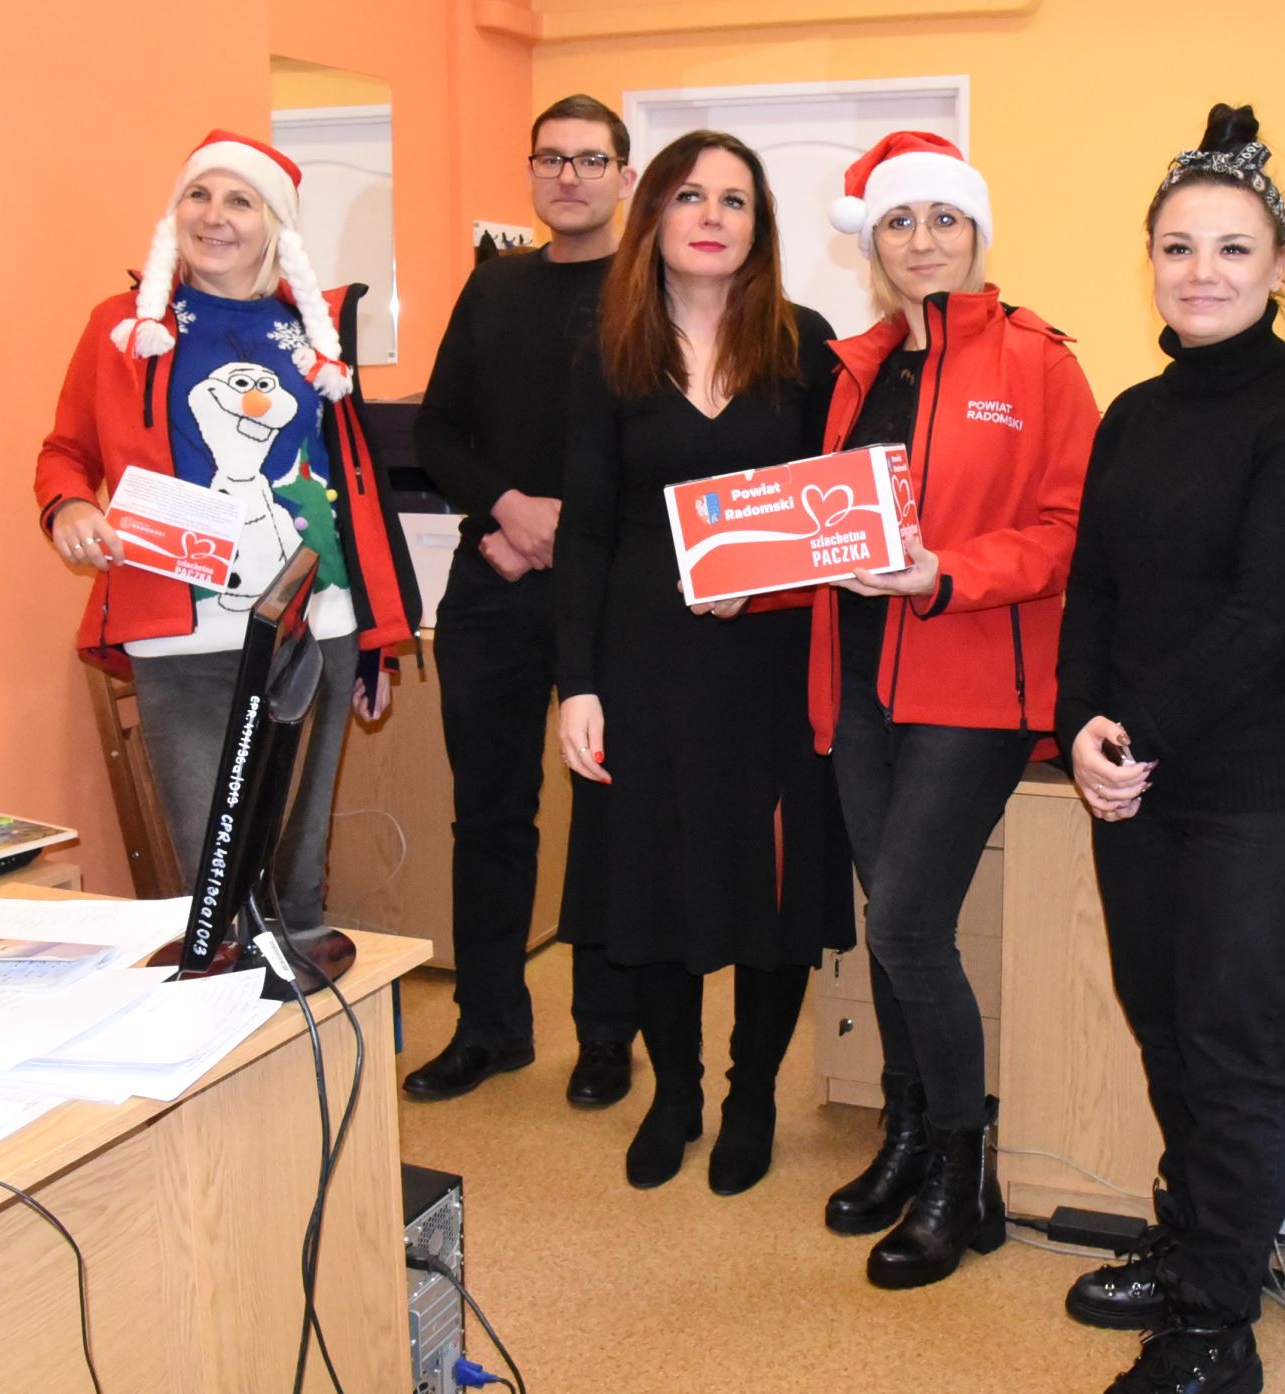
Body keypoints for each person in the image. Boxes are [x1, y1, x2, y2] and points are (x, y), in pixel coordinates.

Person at [1055, 105, 1285, 1392]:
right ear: (1149, 258)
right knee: (1166, 1028)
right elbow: (1092, 587)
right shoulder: (1133, 413)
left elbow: (1269, 611)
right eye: (1178, 246)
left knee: (1234, 1044)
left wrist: (1131, 731)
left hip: (1263, 782)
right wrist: (1078, 723)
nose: (1202, 271)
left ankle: (1215, 1326)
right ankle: (1190, 1240)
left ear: (1278, 266)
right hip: (1140, 775)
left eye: (1233, 248)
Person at [814, 132, 1100, 1289]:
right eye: (898, 221)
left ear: (976, 231)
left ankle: (959, 1169)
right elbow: (822, 524)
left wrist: (946, 571)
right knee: (887, 915)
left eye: (943, 218)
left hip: (975, 684)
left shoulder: (1038, 362)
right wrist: (746, 574)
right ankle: (906, 1130)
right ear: (873, 242)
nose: (921, 240)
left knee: (907, 928)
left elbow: (1071, 530)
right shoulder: (856, 366)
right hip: (858, 683)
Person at [554, 130, 854, 1194]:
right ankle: (674, 1094)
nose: (713, 216)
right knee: (651, 889)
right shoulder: (609, 352)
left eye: (735, 199)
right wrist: (577, 684)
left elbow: (835, 514)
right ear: (655, 217)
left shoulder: (806, 345)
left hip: (775, 662)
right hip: (643, 659)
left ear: (758, 226)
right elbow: (586, 531)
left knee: (773, 895)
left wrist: (767, 577)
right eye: (691, 195)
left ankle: (750, 1094)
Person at [36, 130, 417, 925]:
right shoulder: (121, 326)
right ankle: (232, 995)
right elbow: (66, 451)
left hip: (315, 629)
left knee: (298, 874)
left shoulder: (315, 333)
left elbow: (354, 488)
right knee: (213, 880)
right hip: (182, 643)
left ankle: (304, 1001)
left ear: (274, 223)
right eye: (198, 196)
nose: (214, 216)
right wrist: (69, 504)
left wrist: (374, 641)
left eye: (239, 200)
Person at [403, 95, 643, 1108]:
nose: (569, 177)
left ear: (625, 176)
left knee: (607, 816)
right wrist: (505, 509)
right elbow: (437, 433)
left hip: (616, 592)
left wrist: (566, 530)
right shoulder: (494, 285)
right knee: (490, 816)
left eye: (590, 159)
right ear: (533, 171)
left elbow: (664, 447)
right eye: (551, 159)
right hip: (492, 580)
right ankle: (490, 1025)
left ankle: (605, 1037)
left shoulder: (653, 289)